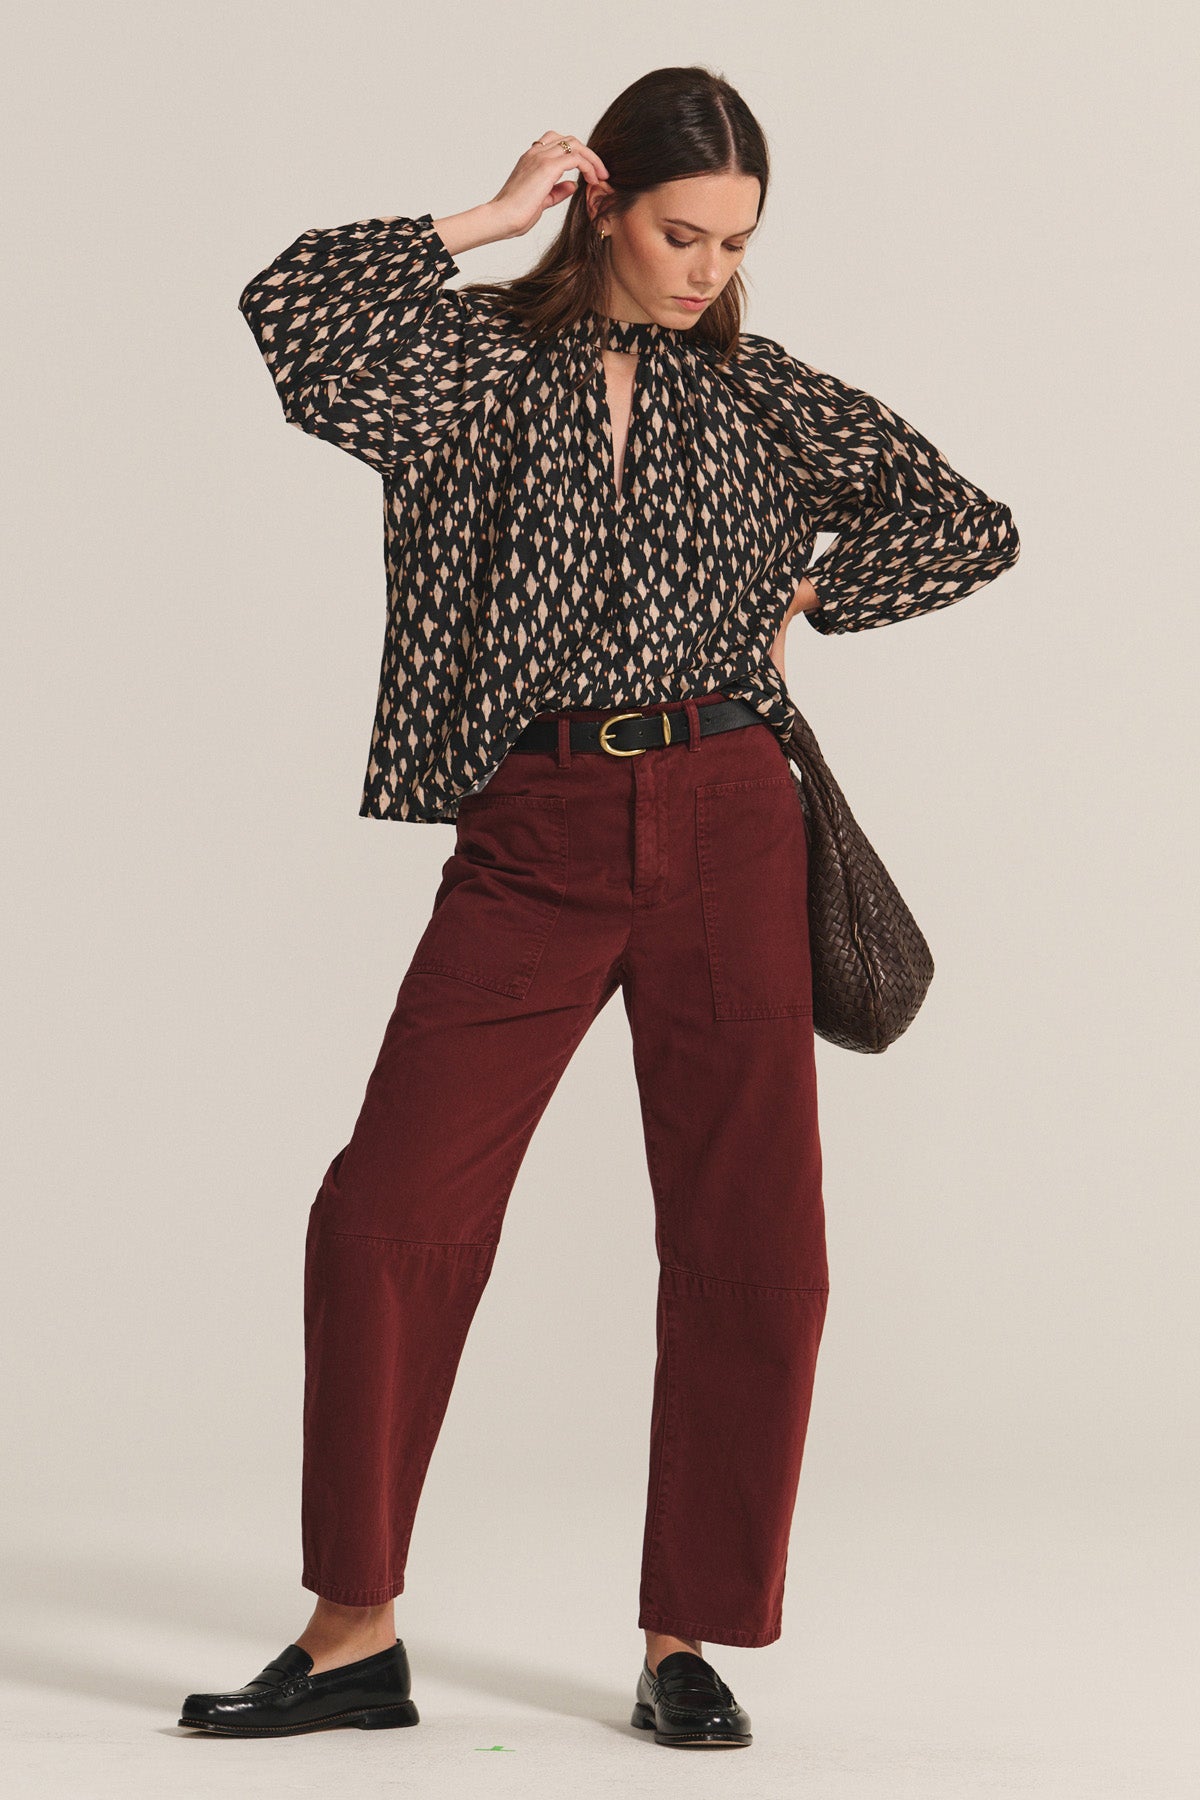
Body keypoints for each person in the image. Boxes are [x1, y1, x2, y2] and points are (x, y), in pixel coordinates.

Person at [178, 65, 1020, 1750]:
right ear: (607, 205)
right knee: (387, 1207)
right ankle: (352, 1635)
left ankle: (683, 1639)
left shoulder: (762, 395)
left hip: (731, 818)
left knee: (748, 1232)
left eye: (737, 242)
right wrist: (489, 217)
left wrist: (807, 596)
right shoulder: (473, 367)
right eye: (682, 231)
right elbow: (295, 312)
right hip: (536, 825)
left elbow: (966, 524)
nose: (709, 269)